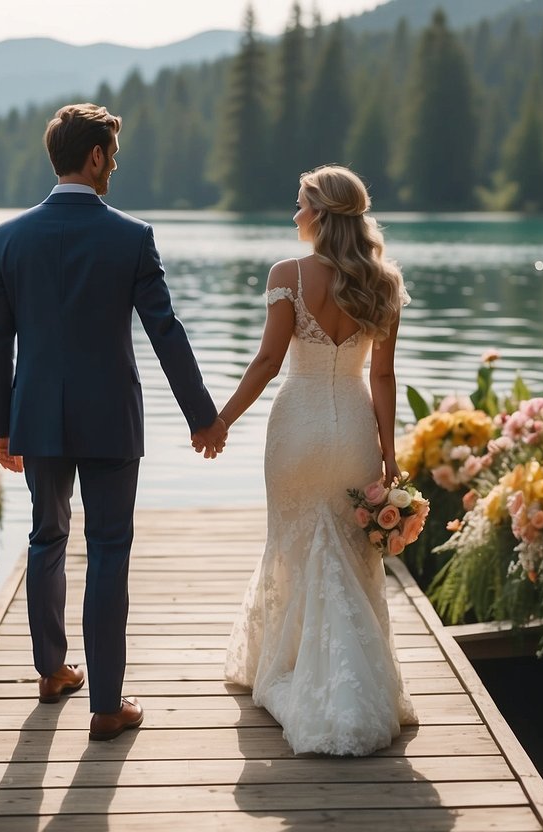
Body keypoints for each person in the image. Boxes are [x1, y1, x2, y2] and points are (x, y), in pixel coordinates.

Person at [0, 103, 227, 742]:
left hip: (35, 413)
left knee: (45, 538)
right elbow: (165, 333)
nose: (113, 167)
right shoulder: (131, 236)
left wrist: (1, 425)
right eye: (111, 156)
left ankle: (52, 671)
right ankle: (108, 705)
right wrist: (203, 417)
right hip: (111, 418)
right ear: (93, 157)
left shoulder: (7, 237)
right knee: (109, 549)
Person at [221, 165, 417, 756]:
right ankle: (358, 686)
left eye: (301, 204)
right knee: (351, 555)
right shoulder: (381, 281)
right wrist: (389, 456)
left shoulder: (289, 274)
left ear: (322, 216)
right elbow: (382, 376)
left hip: (298, 431)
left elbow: (266, 363)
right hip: (355, 428)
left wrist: (220, 421)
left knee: (293, 541)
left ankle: (289, 666)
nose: (295, 214)